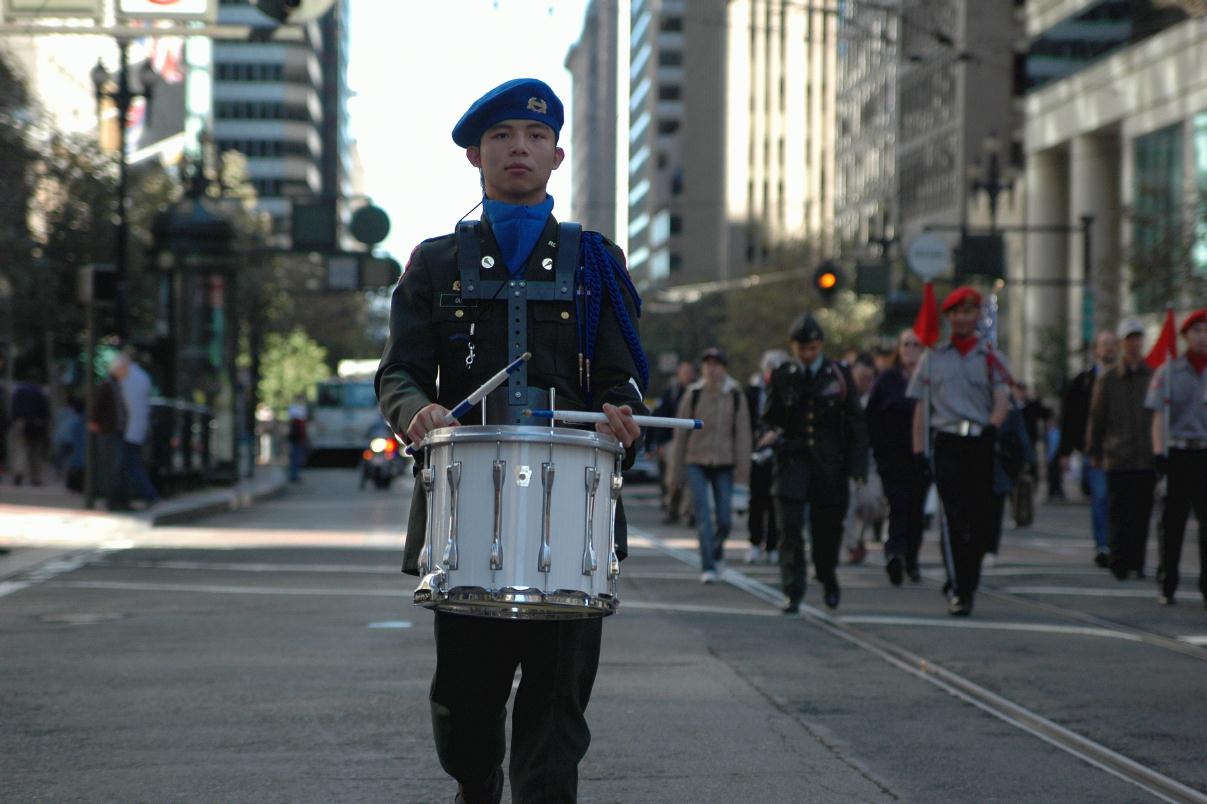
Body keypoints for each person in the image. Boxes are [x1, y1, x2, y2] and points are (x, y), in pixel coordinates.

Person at [374, 78, 646, 804]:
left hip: (571, 524)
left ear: (556, 156)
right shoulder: (433, 262)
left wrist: (622, 417)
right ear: (475, 156)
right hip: (468, 517)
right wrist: (416, 412)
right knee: (463, 707)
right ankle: (475, 783)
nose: (517, 149)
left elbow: (625, 382)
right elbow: (398, 371)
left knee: (556, 717)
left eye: (532, 139)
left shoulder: (595, 260)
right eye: (500, 138)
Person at [909, 286, 1010, 616]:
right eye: (957, 313)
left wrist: (992, 426)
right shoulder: (933, 357)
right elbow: (921, 410)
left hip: (979, 441)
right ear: (949, 317)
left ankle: (969, 580)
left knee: (980, 519)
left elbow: (1001, 400)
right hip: (947, 442)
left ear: (978, 315)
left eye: (970, 312)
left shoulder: (991, 357)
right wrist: (919, 453)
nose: (963, 319)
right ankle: (958, 587)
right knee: (952, 518)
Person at [761, 313, 868, 613]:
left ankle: (827, 575)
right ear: (793, 347)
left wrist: (858, 467)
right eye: (801, 348)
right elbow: (769, 418)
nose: (806, 354)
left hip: (829, 466)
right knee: (790, 532)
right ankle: (792, 591)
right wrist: (768, 434)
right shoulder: (783, 374)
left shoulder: (838, 375)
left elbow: (857, 424)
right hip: (792, 464)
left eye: (812, 349)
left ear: (820, 346)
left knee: (826, 533)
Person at [668, 347, 751, 583]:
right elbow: (681, 434)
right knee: (703, 516)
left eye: (716, 364)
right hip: (696, 461)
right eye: (707, 364)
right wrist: (676, 472)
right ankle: (709, 566)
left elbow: (743, 435)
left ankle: (717, 551)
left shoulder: (735, 395)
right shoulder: (693, 394)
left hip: (725, 463)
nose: (711, 369)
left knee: (724, 518)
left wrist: (743, 474)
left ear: (723, 368)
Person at [1146, 308, 1207, 608]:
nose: (1202, 337)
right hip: (1178, 453)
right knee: (1173, 524)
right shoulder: (1169, 371)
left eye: (1206, 331)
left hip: (1205, 452)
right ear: (1185, 336)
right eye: (1197, 331)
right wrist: (1159, 452)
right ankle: (1167, 582)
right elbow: (1158, 415)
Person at [1086, 318, 1155, 581]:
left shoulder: (1152, 377)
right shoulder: (1109, 380)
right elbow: (1097, 416)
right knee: (1118, 511)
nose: (1134, 343)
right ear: (1122, 343)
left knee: (1142, 512)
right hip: (1117, 456)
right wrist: (1093, 449)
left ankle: (1137, 561)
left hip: (1145, 457)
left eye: (1137, 338)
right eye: (1129, 338)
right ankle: (1119, 560)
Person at [866, 329, 927, 584]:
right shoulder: (887, 380)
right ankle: (895, 554)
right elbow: (871, 416)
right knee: (898, 506)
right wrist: (877, 449)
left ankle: (911, 559)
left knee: (917, 510)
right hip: (893, 457)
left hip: (922, 458)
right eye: (906, 344)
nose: (910, 348)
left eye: (915, 344)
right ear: (899, 349)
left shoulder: (928, 379)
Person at [1059, 331, 1119, 567]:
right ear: (1096, 350)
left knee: (1121, 499)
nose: (1110, 349)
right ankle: (1103, 544)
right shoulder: (1082, 382)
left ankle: (1120, 545)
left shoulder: (1128, 379)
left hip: (1125, 451)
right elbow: (1069, 417)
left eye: (1114, 345)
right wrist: (1065, 451)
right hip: (1095, 450)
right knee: (1101, 496)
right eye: (1105, 345)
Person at [745, 349, 788, 564]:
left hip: (779, 452)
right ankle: (754, 543)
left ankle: (772, 544)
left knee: (774, 501)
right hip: (756, 451)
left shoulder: (788, 391)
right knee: (757, 500)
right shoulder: (752, 391)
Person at [843, 353, 882, 565]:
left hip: (870, 459)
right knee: (847, 504)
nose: (863, 382)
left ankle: (860, 538)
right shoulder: (843, 397)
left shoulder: (876, 400)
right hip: (846, 459)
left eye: (868, 378)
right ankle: (852, 546)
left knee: (870, 501)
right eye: (860, 377)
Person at [110, 351, 159, 510]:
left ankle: (148, 495)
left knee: (128, 466)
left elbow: (130, 409)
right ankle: (124, 500)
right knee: (127, 466)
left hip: (129, 431)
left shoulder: (131, 380)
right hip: (134, 430)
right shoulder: (139, 378)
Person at [650, 360, 696, 524]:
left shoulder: (696, 392)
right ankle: (672, 509)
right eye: (684, 372)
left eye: (689, 372)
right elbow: (661, 417)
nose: (687, 376)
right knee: (673, 478)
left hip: (692, 442)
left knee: (690, 480)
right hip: (672, 441)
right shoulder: (671, 392)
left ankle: (688, 512)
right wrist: (659, 443)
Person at [90, 365, 126, 508]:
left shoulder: (116, 385)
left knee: (115, 467)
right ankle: (112, 500)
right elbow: (96, 408)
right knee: (111, 467)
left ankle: (116, 500)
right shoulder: (107, 386)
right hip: (108, 431)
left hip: (115, 431)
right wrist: (97, 424)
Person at [8, 375, 50, 486]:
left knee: (20, 449)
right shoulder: (39, 392)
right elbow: (45, 411)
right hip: (37, 423)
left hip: (20, 423)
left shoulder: (19, 391)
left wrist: (15, 420)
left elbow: (13, 408)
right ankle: (35, 477)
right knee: (35, 452)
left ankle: (19, 472)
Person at [286, 396, 308, 483]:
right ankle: (294, 475)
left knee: (296, 457)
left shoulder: (297, 418)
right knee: (295, 457)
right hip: (297, 440)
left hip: (297, 440)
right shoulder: (297, 420)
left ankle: (294, 475)